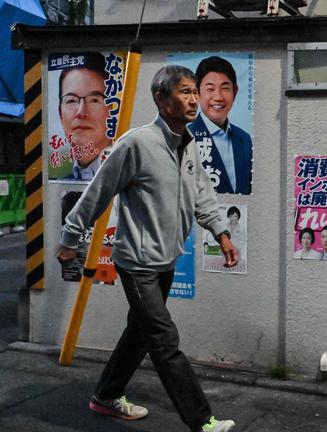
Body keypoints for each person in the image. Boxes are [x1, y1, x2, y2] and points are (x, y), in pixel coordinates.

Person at [56, 65, 237, 432]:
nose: (193, 99)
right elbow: (97, 192)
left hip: (166, 258)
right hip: (137, 263)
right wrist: (69, 238)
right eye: (184, 92)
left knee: (140, 333)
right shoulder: (136, 144)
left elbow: (202, 193)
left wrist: (222, 233)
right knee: (164, 340)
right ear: (161, 98)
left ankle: (106, 395)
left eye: (193, 92)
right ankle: (203, 422)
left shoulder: (188, 144)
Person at [188, 56, 252, 194]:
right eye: (210, 89)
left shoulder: (245, 139)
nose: (218, 97)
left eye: (225, 88)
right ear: (197, 93)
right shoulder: (184, 138)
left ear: (235, 92)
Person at [58, 52, 113, 180]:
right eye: (71, 100)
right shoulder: (62, 182)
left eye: (94, 100)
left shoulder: (125, 177)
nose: (81, 112)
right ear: (60, 114)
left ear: (114, 109)